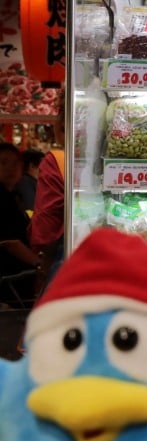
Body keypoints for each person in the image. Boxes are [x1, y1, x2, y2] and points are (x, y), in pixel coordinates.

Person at [28, 106, 67, 287]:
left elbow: (46, 224)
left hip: (67, 254)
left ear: (60, 126)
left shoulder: (56, 160)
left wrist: (43, 261)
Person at [0, 142, 37, 307]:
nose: (10, 168)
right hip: (8, 283)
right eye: (3, 163)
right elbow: (10, 242)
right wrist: (40, 264)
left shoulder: (13, 195)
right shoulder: (2, 198)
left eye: (15, 163)